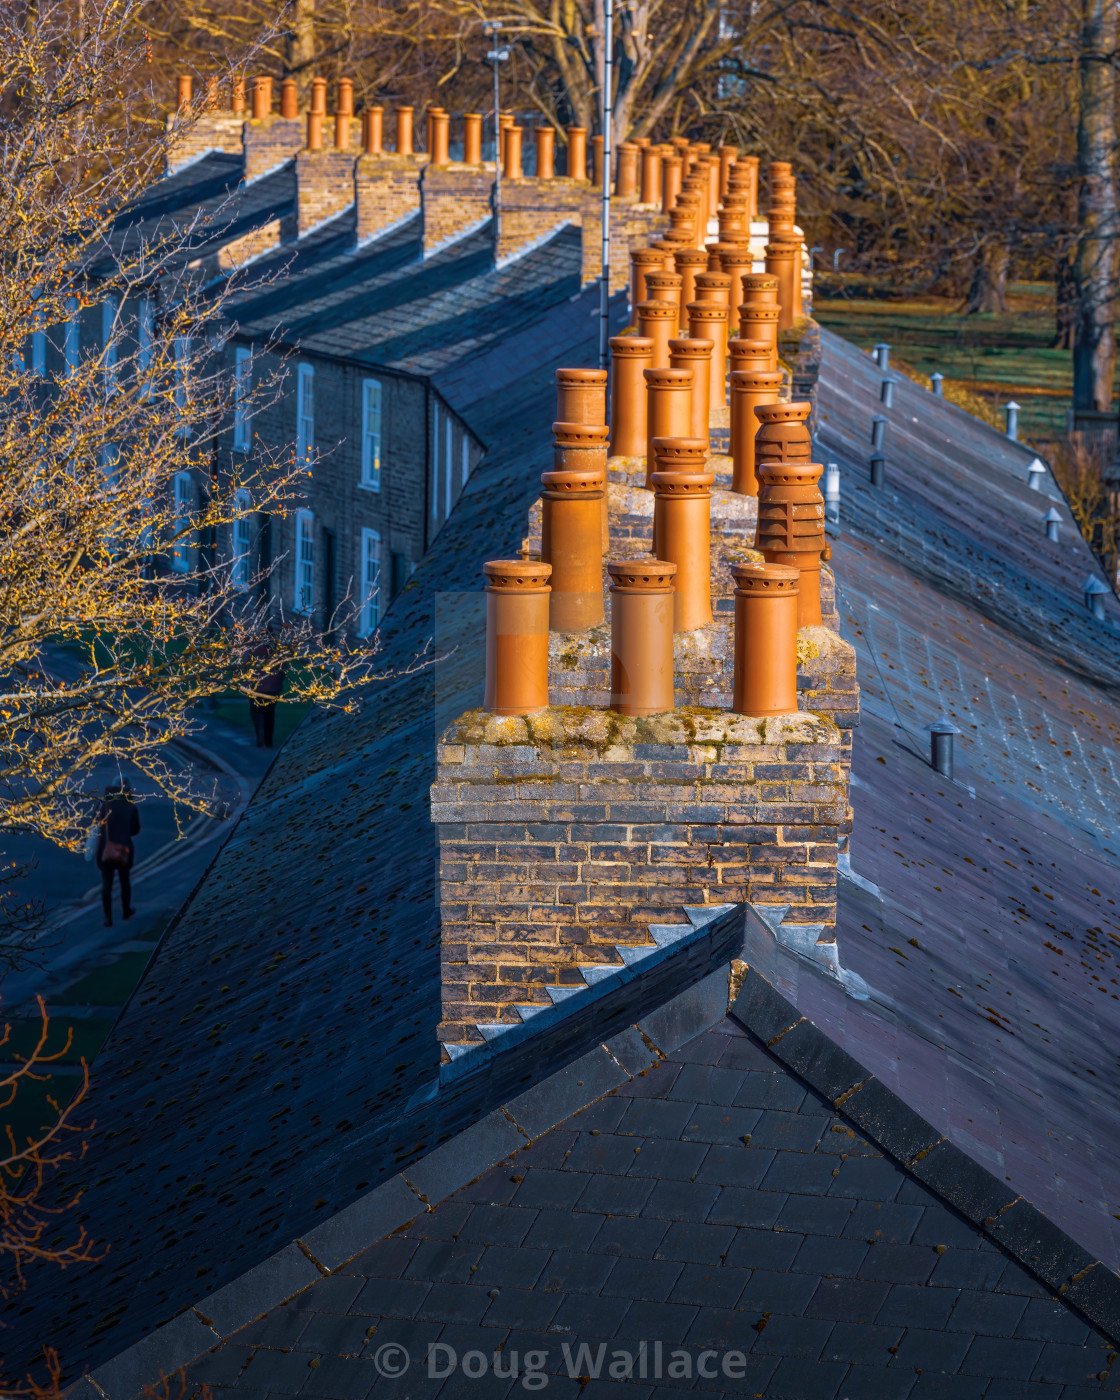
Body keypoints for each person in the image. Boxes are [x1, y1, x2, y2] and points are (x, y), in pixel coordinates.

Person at [96, 782, 140, 927]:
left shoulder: (105, 806)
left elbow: (97, 826)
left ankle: (107, 918)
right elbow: (135, 830)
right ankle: (126, 911)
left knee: (106, 885)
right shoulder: (131, 807)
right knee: (124, 882)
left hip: (106, 851)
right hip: (123, 851)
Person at [248, 633, 286, 748]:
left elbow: (245, 664)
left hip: (256, 687)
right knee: (269, 714)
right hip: (273, 688)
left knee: (256, 712)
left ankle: (260, 735)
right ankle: (268, 740)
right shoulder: (276, 650)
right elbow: (284, 666)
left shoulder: (252, 649)